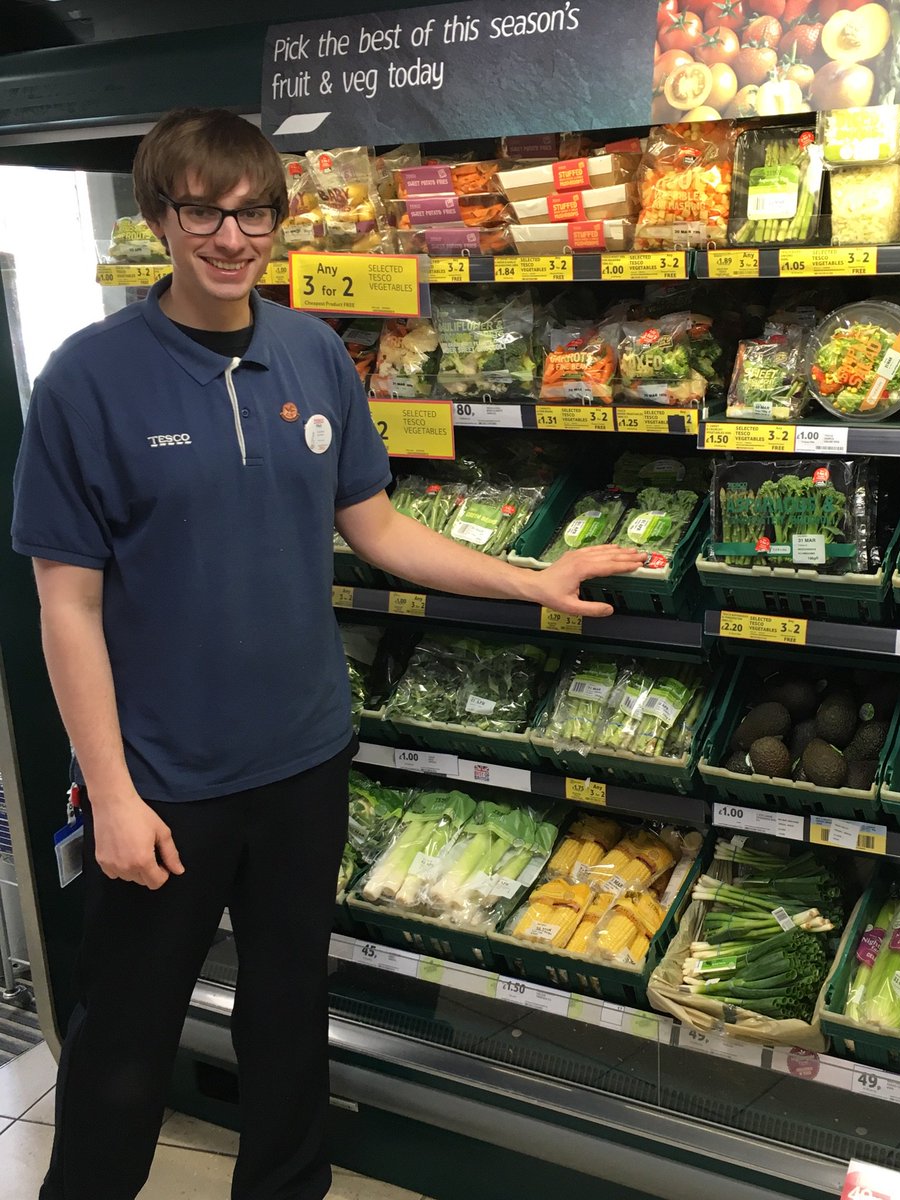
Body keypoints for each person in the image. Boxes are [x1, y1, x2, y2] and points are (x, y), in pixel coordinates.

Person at [11, 107, 645, 1200]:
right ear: (161, 215)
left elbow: (380, 528)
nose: (230, 236)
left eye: (253, 212)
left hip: (305, 762)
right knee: (124, 1043)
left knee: (290, 1013)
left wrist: (533, 579)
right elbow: (64, 606)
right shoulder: (89, 378)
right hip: (164, 782)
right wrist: (109, 792)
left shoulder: (310, 351)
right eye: (202, 210)